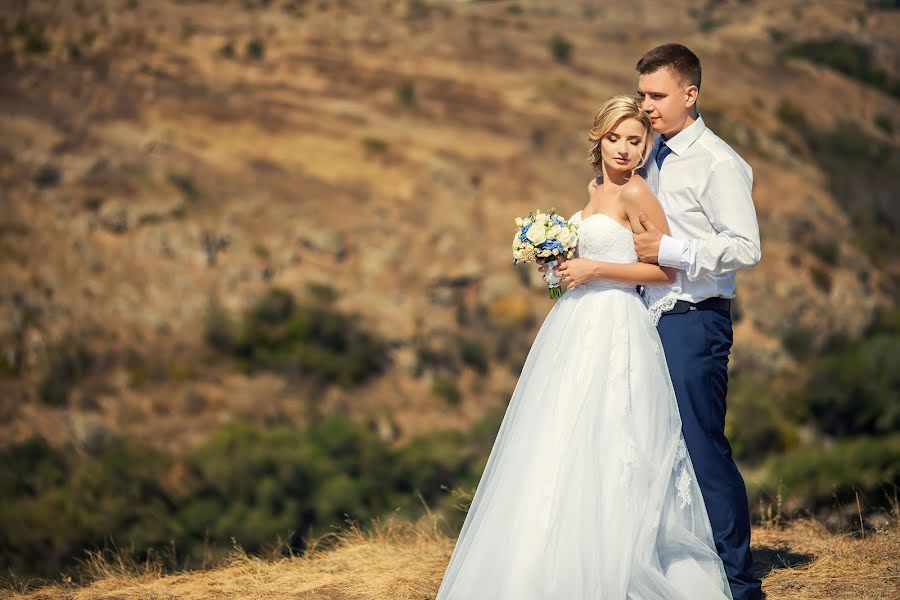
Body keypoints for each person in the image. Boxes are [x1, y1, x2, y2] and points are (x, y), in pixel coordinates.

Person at [434, 95, 732, 599]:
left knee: (615, 434)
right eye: (615, 138)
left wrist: (597, 269)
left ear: (645, 147)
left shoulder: (638, 194)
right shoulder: (593, 189)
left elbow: (664, 268)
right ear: (599, 139)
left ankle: (615, 556)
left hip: (619, 323)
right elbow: (586, 257)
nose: (623, 149)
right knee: (560, 433)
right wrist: (557, 269)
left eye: (635, 141)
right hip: (574, 323)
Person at [568, 44, 763, 600]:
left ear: (690, 94)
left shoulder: (719, 162)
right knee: (649, 445)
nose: (647, 107)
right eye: (644, 95)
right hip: (640, 319)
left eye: (657, 96)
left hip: (693, 318)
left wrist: (672, 250)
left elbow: (746, 247)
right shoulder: (650, 156)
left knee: (701, 448)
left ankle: (738, 583)